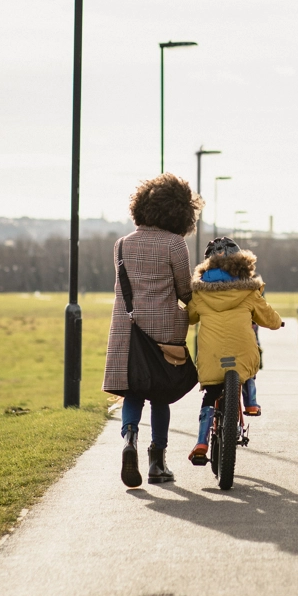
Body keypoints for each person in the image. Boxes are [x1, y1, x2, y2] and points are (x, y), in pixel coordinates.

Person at [104, 174, 201, 488]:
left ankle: (129, 440)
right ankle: (157, 462)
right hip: (164, 331)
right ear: (179, 211)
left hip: (127, 333)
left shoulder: (122, 245)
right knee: (161, 395)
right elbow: (185, 291)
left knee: (134, 391)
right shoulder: (175, 244)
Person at [187, 237, 283, 466]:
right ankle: (251, 402)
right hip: (242, 350)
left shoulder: (200, 293)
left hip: (211, 354)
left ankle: (202, 440)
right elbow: (267, 317)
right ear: (241, 263)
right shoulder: (249, 290)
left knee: (210, 393)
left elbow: (190, 317)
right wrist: (278, 323)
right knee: (248, 366)